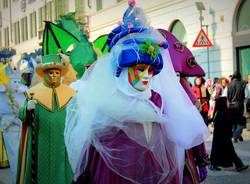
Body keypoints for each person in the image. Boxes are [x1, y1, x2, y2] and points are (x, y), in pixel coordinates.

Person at [65, 1, 208, 184]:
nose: (147, 76)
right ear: (123, 69)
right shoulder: (108, 105)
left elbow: (170, 145)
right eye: (140, 69)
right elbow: (95, 157)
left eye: (150, 70)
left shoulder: (157, 101)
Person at [157, 29, 209, 184]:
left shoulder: (178, 95)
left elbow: (193, 131)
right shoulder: (149, 99)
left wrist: (201, 161)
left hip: (183, 166)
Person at [17, 54, 76, 184]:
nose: (53, 75)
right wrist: (27, 109)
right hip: (40, 141)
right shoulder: (34, 93)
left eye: (56, 72)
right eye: (50, 72)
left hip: (64, 142)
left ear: (60, 74)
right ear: (44, 73)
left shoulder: (70, 93)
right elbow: (21, 115)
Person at [0, 64, 27, 184]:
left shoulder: (23, 91)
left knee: (23, 156)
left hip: (21, 127)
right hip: (10, 127)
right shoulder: (3, 93)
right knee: (14, 156)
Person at [209, 96, 249, 172]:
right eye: (226, 102)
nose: (228, 103)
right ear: (222, 103)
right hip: (221, 136)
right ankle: (238, 165)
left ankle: (239, 165)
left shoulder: (223, 112)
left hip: (224, 136)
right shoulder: (220, 113)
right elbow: (224, 123)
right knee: (220, 150)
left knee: (229, 151)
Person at [227, 72, 246, 143]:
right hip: (240, 104)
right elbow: (246, 95)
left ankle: (236, 136)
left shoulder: (229, 85)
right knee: (240, 122)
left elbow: (226, 96)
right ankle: (236, 135)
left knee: (234, 122)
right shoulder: (243, 84)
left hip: (231, 105)